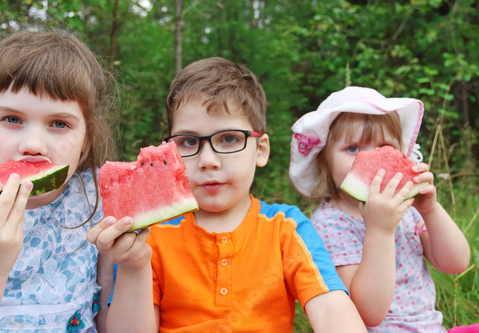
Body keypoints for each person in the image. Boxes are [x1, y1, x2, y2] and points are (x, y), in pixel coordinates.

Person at [87, 57, 367, 332]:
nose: (208, 160)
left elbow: (331, 307)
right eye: (188, 141)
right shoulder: (152, 236)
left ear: (261, 150)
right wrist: (134, 267)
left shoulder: (286, 228)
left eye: (229, 139)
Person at [289, 86, 472, 332]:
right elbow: (368, 313)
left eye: (384, 147)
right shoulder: (330, 224)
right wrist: (380, 230)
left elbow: (456, 263)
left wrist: (431, 210)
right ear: (324, 161)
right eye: (353, 148)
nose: (370, 159)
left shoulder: (406, 208)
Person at [0, 30, 116, 332]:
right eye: (12, 119)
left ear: (86, 140)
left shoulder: (98, 200)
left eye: (58, 123)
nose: (33, 144)